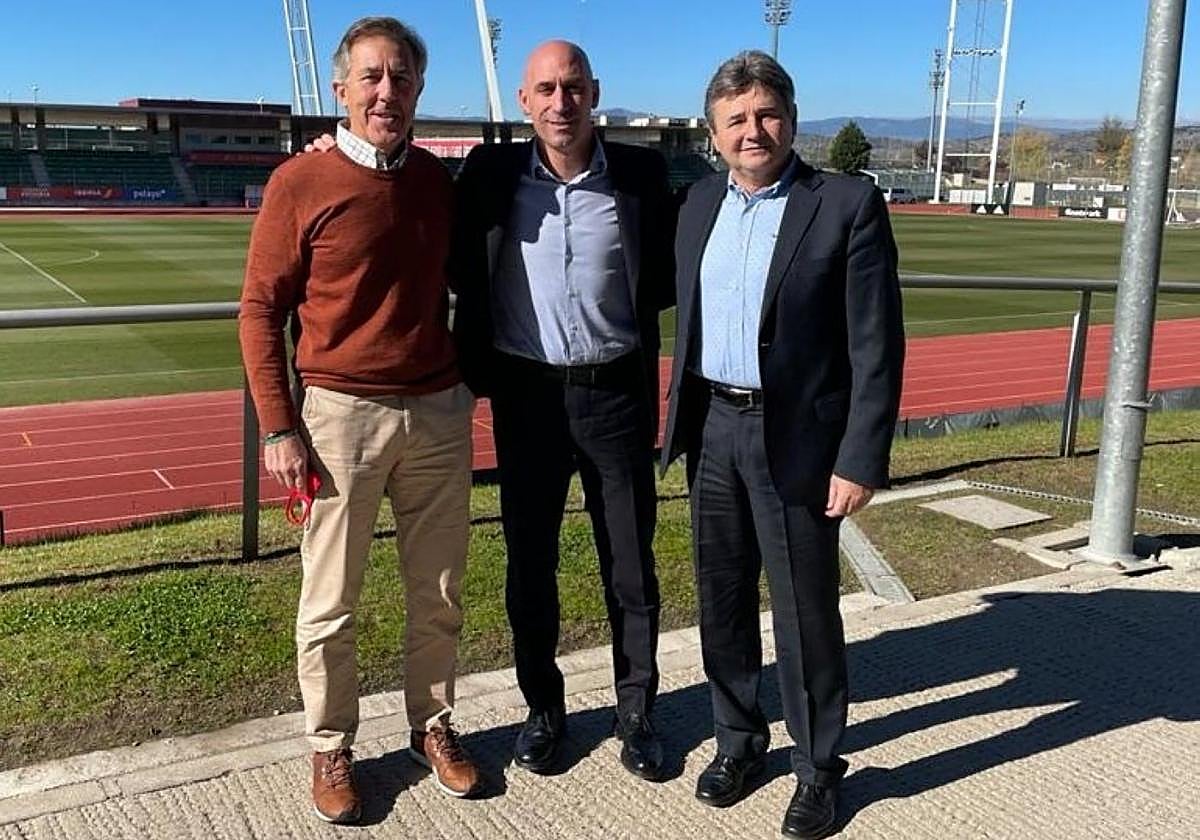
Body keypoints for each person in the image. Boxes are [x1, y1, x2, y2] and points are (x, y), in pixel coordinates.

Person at [239, 16, 480, 825]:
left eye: (403, 77)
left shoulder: (436, 183)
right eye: (372, 77)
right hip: (339, 417)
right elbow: (258, 310)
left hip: (438, 412)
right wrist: (279, 426)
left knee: (438, 590)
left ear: (418, 91)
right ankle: (330, 743)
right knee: (330, 600)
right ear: (341, 88)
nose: (388, 91)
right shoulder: (298, 183)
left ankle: (432, 726)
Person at [660, 51, 904, 839]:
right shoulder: (697, 203)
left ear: (791, 121)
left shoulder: (845, 205)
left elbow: (876, 345)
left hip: (796, 437)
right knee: (721, 600)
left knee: (806, 616)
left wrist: (860, 457)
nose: (752, 130)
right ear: (714, 132)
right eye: (736, 119)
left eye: (766, 114)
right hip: (714, 430)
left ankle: (820, 768)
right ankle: (739, 741)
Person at [450, 40, 675, 780]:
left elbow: (678, 267)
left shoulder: (642, 176)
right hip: (528, 397)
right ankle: (543, 709)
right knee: (531, 566)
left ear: (594, 92)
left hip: (614, 393)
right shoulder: (487, 175)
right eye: (545, 89)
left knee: (631, 567)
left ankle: (637, 713)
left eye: (572, 87)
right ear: (523, 102)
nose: (560, 102)